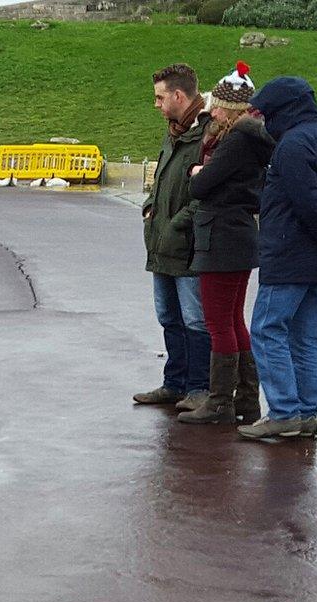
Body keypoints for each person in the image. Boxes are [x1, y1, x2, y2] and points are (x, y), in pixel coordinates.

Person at [240, 76, 317, 441]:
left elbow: (308, 202)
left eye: (267, 112)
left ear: (282, 111)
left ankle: (283, 412)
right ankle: (307, 414)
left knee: (267, 329)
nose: (264, 120)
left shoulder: (291, 145)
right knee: (306, 338)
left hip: (288, 254)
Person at [175, 63, 273, 427]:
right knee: (233, 320)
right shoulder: (253, 140)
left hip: (221, 237)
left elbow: (201, 186)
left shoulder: (235, 141)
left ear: (231, 110)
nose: (211, 111)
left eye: (217, 106)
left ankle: (220, 403)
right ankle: (246, 399)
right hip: (239, 235)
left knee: (219, 322)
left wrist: (197, 172)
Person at [136, 63, 212, 408]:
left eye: (160, 97)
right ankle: (174, 383)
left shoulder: (207, 136)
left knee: (195, 319)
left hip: (189, 246)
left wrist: (178, 223)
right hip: (162, 244)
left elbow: (208, 192)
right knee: (168, 315)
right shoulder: (173, 133)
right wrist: (150, 208)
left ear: (179, 95)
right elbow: (161, 179)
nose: (156, 104)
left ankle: (199, 389)